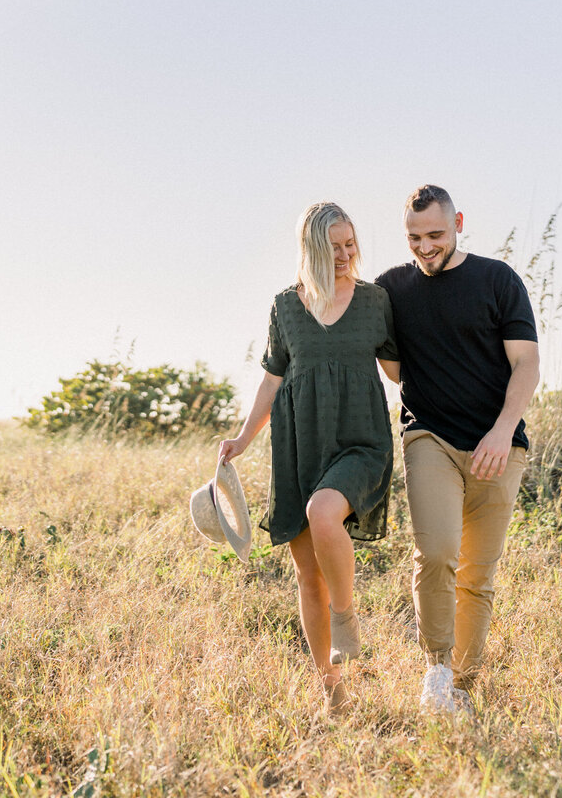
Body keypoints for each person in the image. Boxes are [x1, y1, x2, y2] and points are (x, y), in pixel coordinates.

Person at [218, 202, 399, 715]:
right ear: (311, 250)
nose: (345, 255)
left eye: (350, 244)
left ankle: (346, 619)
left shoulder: (375, 301)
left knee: (325, 512)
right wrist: (242, 438)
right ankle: (333, 692)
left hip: (360, 441)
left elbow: (399, 370)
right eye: (333, 247)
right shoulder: (284, 307)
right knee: (306, 575)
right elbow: (273, 379)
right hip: (299, 445)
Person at [375, 184, 540, 713]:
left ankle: (464, 689)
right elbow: (395, 369)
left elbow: (527, 364)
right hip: (430, 436)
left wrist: (501, 429)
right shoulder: (392, 289)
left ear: (459, 223)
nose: (424, 247)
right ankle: (438, 673)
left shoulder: (498, 279)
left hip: (498, 444)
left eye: (435, 235)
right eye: (414, 238)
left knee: (478, 573)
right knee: (438, 551)